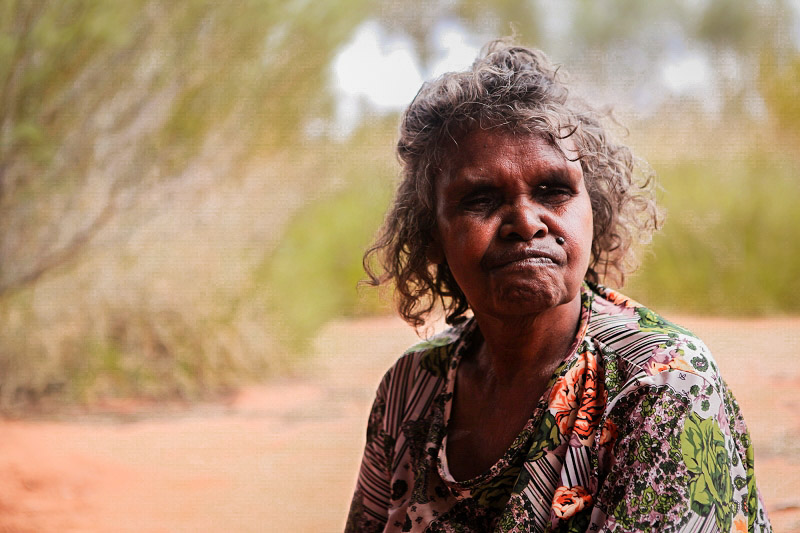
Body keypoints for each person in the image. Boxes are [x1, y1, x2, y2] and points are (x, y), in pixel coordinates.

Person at [345, 40, 771, 533]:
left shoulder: (662, 385)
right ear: (433, 234)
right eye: (480, 199)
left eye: (554, 190)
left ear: (596, 211)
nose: (526, 223)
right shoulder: (410, 388)